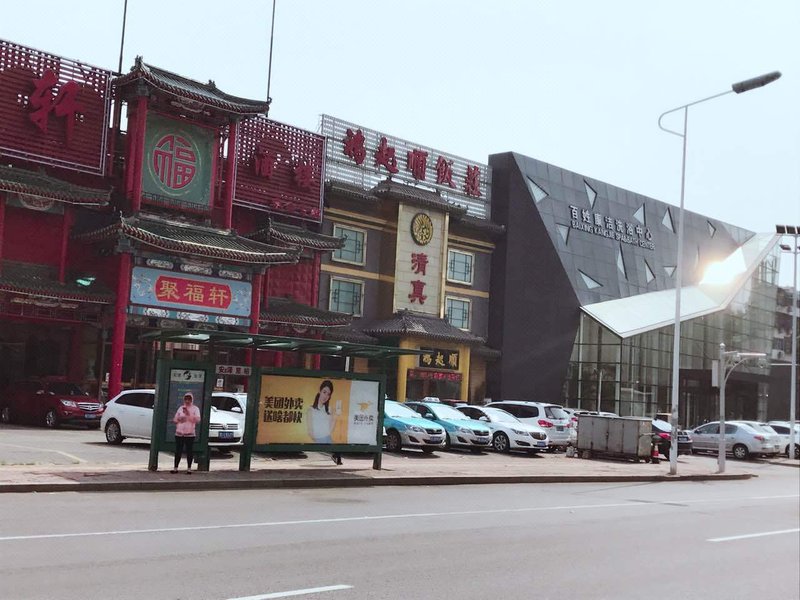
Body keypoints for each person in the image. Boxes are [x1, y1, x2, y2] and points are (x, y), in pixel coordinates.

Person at [307, 380, 342, 465]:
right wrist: (317, 440)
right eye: (324, 392)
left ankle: (336, 456)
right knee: (335, 449)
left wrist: (336, 417)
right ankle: (335, 456)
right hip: (318, 439)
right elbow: (310, 431)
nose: (325, 396)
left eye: (328, 394)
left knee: (338, 449)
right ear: (320, 391)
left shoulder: (330, 410)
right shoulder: (311, 410)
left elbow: (330, 430)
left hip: (327, 438)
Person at [172, 392, 201, 474]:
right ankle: (175, 468)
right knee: (178, 450)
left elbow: (197, 420)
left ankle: (189, 468)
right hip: (179, 433)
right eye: (186, 399)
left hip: (190, 433)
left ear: (192, 400)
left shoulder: (195, 409)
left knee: (189, 451)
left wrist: (189, 414)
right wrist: (179, 419)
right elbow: (175, 419)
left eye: (189, 399)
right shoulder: (181, 408)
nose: (187, 401)